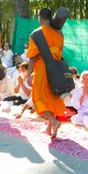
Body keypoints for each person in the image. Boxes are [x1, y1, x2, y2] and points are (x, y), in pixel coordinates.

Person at [26, 8, 66, 138]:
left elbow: (33, 57)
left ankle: (53, 121)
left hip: (43, 70)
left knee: (39, 98)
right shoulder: (59, 34)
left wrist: (28, 74)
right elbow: (59, 54)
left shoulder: (37, 34)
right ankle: (50, 128)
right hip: (56, 70)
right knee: (53, 98)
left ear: (41, 18)